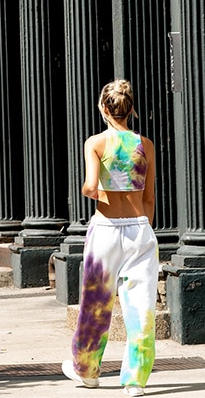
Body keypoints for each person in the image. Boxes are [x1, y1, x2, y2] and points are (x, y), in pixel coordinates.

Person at [62, 79, 158, 398]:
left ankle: (87, 371)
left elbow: (89, 187)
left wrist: (102, 192)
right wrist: (143, 227)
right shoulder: (145, 144)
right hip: (139, 229)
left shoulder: (96, 143)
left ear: (104, 108)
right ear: (130, 109)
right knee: (141, 307)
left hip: (105, 230)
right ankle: (135, 381)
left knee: (97, 304)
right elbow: (149, 198)